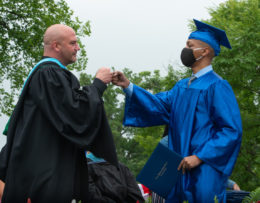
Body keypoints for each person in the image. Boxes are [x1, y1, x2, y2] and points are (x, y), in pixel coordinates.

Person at [112, 19, 242, 203]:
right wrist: (128, 86)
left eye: (190, 45)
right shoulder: (181, 87)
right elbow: (158, 105)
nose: (185, 50)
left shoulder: (218, 86)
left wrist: (199, 156)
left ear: (204, 51)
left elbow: (231, 130)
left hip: (203, 169)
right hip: (177, 167)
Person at [0, 24, 118, 202]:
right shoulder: (48, 73)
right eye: (73, 43)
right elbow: (74, 113)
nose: (78, 48)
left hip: (44, 173)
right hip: (44, 177)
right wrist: (98, 85)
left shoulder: (46, 75)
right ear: (56, 46)